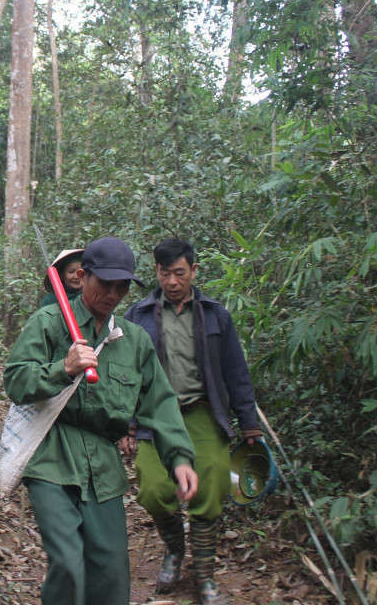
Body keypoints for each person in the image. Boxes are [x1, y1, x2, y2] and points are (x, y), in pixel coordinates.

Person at [4, 237, 199, 605]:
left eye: (121, 286)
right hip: (51, 455)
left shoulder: (134, 340)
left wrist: (180, 458)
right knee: (67, 563)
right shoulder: (49, 323)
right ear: (81, 276)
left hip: (103, 467)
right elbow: (16, 380)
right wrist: (63, 368)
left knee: (111, 574)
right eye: (104, 284)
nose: (112, 294)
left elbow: (160, 403)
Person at [124, 238, 262, 605]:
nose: (171, 281)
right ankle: (174, 549)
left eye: (179, 273)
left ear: (194, 271)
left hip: (202, 413)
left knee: (212, 485)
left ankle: (204, 573)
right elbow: (124, 374)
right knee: (153, 488)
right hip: (154, 415)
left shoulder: (217, 315)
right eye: (164, 273)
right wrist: (127, 423)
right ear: (155, 271)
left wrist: (249, 424)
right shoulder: (137, 317)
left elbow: (235, 370)